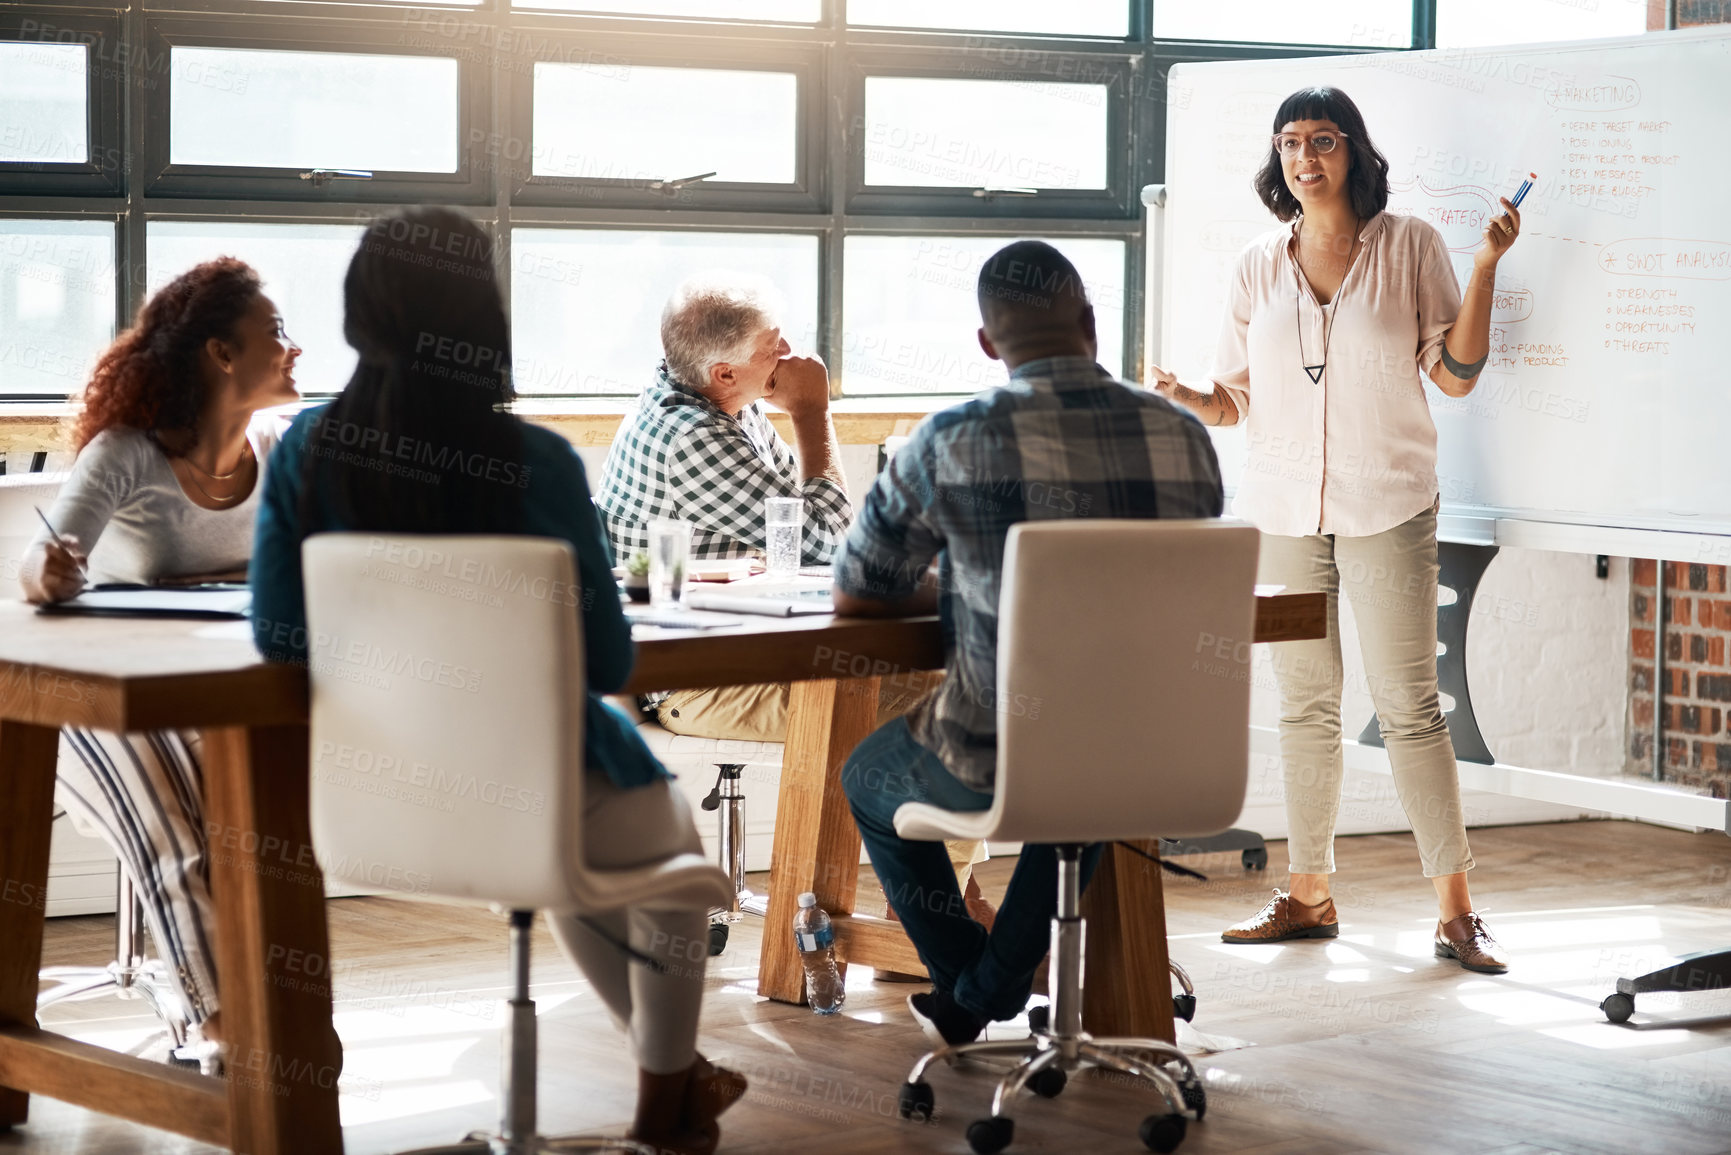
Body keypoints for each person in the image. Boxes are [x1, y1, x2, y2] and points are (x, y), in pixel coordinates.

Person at [248, 208, 740, 1155]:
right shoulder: (540, 463)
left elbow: (280, 636)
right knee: (674, 863)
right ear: (484, 318)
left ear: (358, 315)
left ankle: (678, 1083)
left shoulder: (303, 455)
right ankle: (663, 1098)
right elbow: (603, 663)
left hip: (366, 804)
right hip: (533, 793)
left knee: (570, 860)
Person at [1150, 86, 1520, 973]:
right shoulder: (1254, 263)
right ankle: (1307, 892)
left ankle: (1456, 911)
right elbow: (1233, 399)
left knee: (1408, 709)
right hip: (1283, 509)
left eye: (1321, 140)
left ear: (1354, 151)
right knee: (1303, 705)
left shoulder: (1409, 247)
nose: (1304, 158)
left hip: (1387, 503)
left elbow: (1456, 375)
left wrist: (1483, 269)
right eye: (1288, 143)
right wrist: (1183, 398)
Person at [836, 240, 1224, 1045]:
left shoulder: (949, 437)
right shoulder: (1182, 434)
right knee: (1082, 790)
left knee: (867, 773)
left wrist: (965, 583)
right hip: (1156, 745)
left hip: (1001, 744)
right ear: (1089, 322)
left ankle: (972, 987)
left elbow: (859, 589)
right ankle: (982, 988)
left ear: (987, 343)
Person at [596, 274, 991, 927]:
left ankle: (937, 910)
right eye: (774, 348)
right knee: (953, 706)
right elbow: (828, 542)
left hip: (761, 651)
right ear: (722, 372)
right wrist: (814, 412)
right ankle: (935, 917)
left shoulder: (718, 401)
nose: (796, 360)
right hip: (695, 683)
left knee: (951, 684)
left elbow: (803, 526)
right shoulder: (694, 435)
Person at [19, 257, 300, 1053]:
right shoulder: (128, 452)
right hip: (94, 706)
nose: (295, 349)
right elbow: (41, 562)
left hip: (212, 701)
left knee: (252, 827)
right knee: (178, 835)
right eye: (275, 333)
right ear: (220, 352)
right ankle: (229, 1030)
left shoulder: (281, 450)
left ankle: (239, 1023)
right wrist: (49, 569)